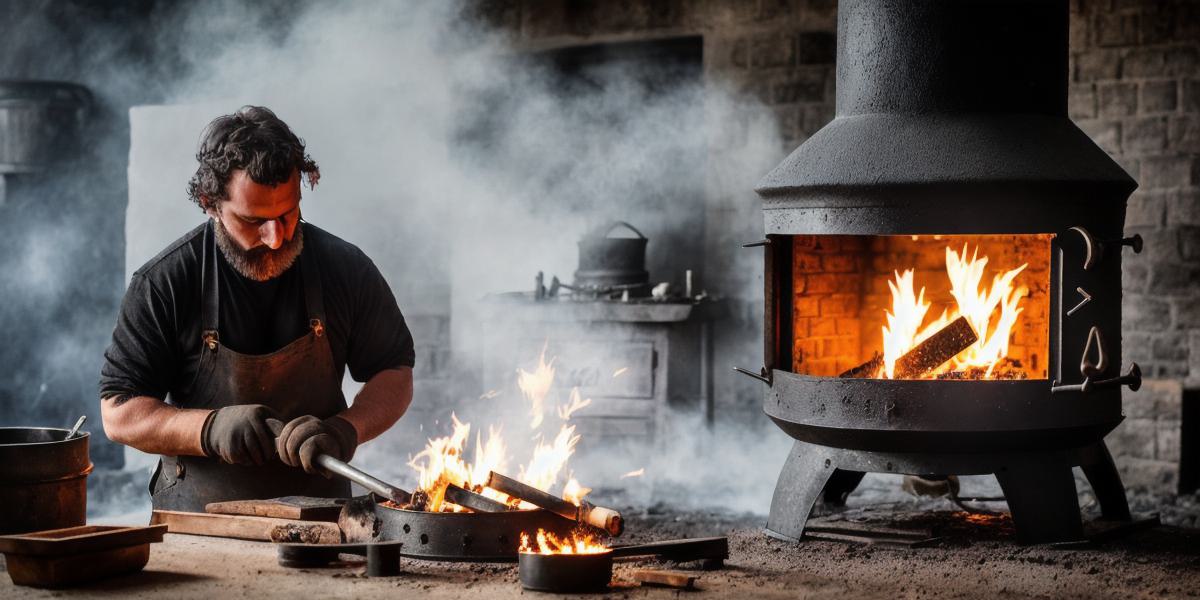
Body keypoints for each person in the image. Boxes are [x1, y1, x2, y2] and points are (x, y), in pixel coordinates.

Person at [99, 106, 414, 512]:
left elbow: (395, 374)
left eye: (288, 214)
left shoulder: (345, 269)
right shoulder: (165, 282)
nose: (276, 237)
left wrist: (344, 430)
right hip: (198, 528)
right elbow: (119, 414)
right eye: (253, 221)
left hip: (321, 525)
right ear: (209, 202)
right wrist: (208, 428)